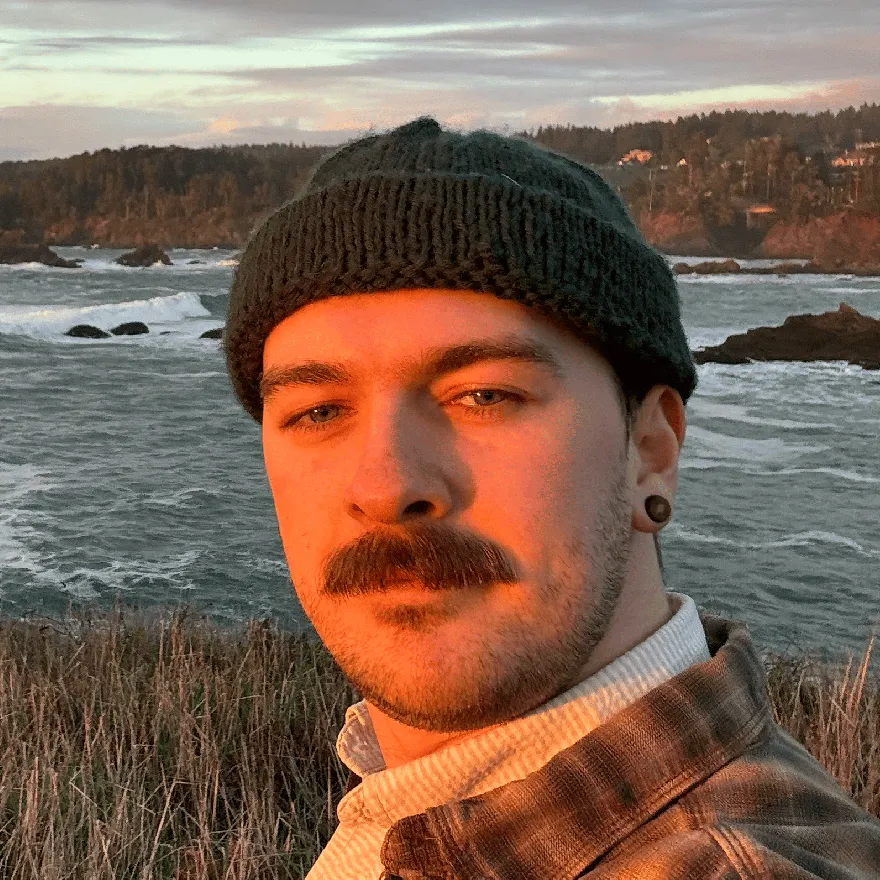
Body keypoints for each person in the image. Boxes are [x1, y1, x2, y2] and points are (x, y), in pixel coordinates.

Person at [223, 116, 880, 879]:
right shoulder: (426, 809)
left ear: (651, 451)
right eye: (318, 412)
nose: (386, 485)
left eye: (485, 395)